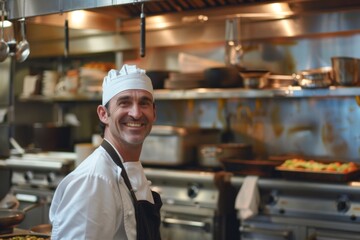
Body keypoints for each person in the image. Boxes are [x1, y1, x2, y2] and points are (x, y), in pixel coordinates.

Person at [49, 64, 162, 240]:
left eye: (144, 103)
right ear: (103, 114)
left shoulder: (129, 167)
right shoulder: (94, 179)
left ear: (154, 113)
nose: (136, 113)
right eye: (124, 102)